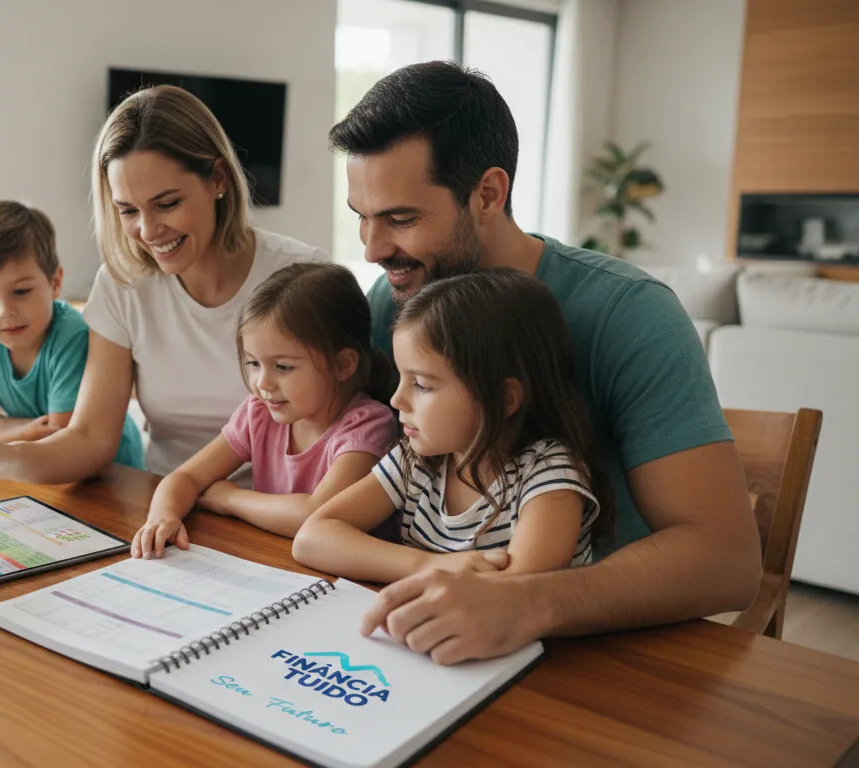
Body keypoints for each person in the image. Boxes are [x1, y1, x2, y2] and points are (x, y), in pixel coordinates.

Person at [336, 61, 759, 665]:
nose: (374, 249)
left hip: (603, 658)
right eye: (361, 217)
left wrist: (526, 603)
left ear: (488, 193)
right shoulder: (396, 302)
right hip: (423, 635)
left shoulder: (627, 314)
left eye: (401, 219)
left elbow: (727, 562)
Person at [0, 85, 325, 488]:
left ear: (217, 179)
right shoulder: (123, 286)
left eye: (167, 204)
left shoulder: (302, 273)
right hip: (165, 506)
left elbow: (342, 435)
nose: (149, 231)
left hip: (276, 512)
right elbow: (89, 439)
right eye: (128, 211)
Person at [294, 268, 612, 583]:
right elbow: (311, 537)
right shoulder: (413, 461)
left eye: (421, 385)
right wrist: (428, 566)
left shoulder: (547, 474)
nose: (396, 400)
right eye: (401, 378)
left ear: (503, 399)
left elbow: (518, 591)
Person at [132, 262, 396, 558]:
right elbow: (186, 477)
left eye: (283, 367)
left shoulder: (368, 427)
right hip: (272, 558)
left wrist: (230, 498)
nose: (262, 383)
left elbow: (315, 515)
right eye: (253, 363)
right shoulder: (259, 412)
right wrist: (163, 516)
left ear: (343, 365)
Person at [0, 200, 144, 468]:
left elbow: (58, 437)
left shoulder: (72, 335)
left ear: (55, 283)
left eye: (21, 291)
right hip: (30, 466)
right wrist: (23, 431)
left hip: (109, 474)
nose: (4, 311)